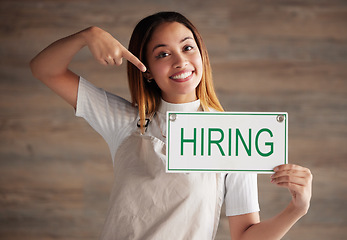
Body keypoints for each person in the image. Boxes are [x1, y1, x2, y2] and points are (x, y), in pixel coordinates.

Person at [30, 11, 312, 240]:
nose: (180, 61)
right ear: (147, 70)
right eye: (163, 54)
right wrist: (88, 35)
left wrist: (296, 209)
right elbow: (44, 68)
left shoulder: (232, 136)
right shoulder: (125, 121)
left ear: (201, 55)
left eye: (188, 47)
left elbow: (245, 237)